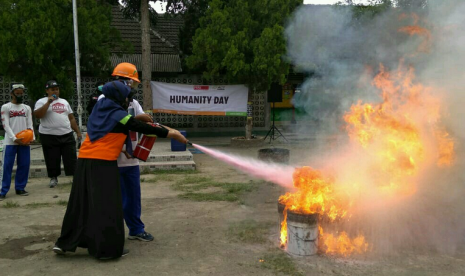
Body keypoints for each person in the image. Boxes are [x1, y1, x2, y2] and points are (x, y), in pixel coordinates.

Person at [53, 81, 188, 260]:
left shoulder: (101, 107)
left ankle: (65, 243)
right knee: (107, 206)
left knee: (81, 203)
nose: (127, 100)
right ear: (117, 96)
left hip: (85, 161)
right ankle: (107, 250)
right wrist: (171, 134)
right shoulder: (116, 112)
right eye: (125, 96)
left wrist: (120, 147)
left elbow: (105, 131)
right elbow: (135, 126)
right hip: (101, 163)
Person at [110, 62, 156, 241]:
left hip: (131, 159)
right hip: (113, 159)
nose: (133, 88)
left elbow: (140, 122)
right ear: (123, 82)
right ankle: (113, 232)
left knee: (133, 198)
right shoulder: (105, 102)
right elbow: (111, 124)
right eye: (132, 83)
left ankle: (136, 229)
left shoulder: (134, 102)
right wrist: (137, 118)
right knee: (114, 199)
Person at [33, 80, 82, 188]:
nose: (56, 91)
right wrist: (48, 102)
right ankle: (53, 178)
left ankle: (75, 177)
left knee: (71, 157)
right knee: (52, 158)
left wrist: (77, 131)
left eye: (57, 89)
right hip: (48, 135)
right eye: (53, 89)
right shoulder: (41, 101)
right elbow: (38, 115)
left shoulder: (64, 102)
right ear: (47, 91)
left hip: (66, 133)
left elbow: (71, 118)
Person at [0, 84, 35, 201]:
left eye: (21, 93)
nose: (20, 95)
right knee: (7, 166)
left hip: (24, 142)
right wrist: (14, 138)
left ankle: (20, 187)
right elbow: (5, 125)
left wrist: (31, 138)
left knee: (24, 165)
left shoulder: (26, 108)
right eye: (17, 93)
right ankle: (3, 190)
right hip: (10, 142)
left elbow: (30, 124)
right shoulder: (6, 107)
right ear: (12, 93)